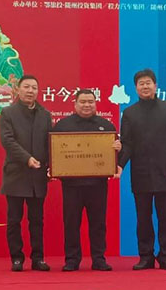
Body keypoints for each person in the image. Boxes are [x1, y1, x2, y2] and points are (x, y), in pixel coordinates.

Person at [118, 69, 166, 271]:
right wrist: (119, 165)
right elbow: (127, 144)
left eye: (148, 82)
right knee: (143, 218)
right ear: (136, 88)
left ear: (155, 86)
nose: (145, 86)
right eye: (141, 83)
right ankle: (145, 256)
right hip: (140, 173)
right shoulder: (129, 113)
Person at [52, 89, 122, 272]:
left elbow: (115, 155)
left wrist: (117, 148)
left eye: (90, 101)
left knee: (98, 223)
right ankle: (72, 260)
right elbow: (53, 151)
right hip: (71, 185)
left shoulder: (106, 126)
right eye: (82, 102)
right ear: (75, 104)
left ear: (95, 103)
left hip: (97, 184)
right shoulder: (62, 126)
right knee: (71, 223)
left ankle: (99, 259)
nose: (87, 105)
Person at [0, 74, 52, 272]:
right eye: (27, 87)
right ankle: (16, 258)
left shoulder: (45, 115)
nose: (30, 91)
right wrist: (27, 158)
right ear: (18, 90)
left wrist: (53, 166)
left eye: (34, 88)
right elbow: (7, 140)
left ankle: (38, 258)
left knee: (37, 220)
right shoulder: (8, 113)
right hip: (16, 174)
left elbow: (50, 143)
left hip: (38, 176)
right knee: (14, 220)